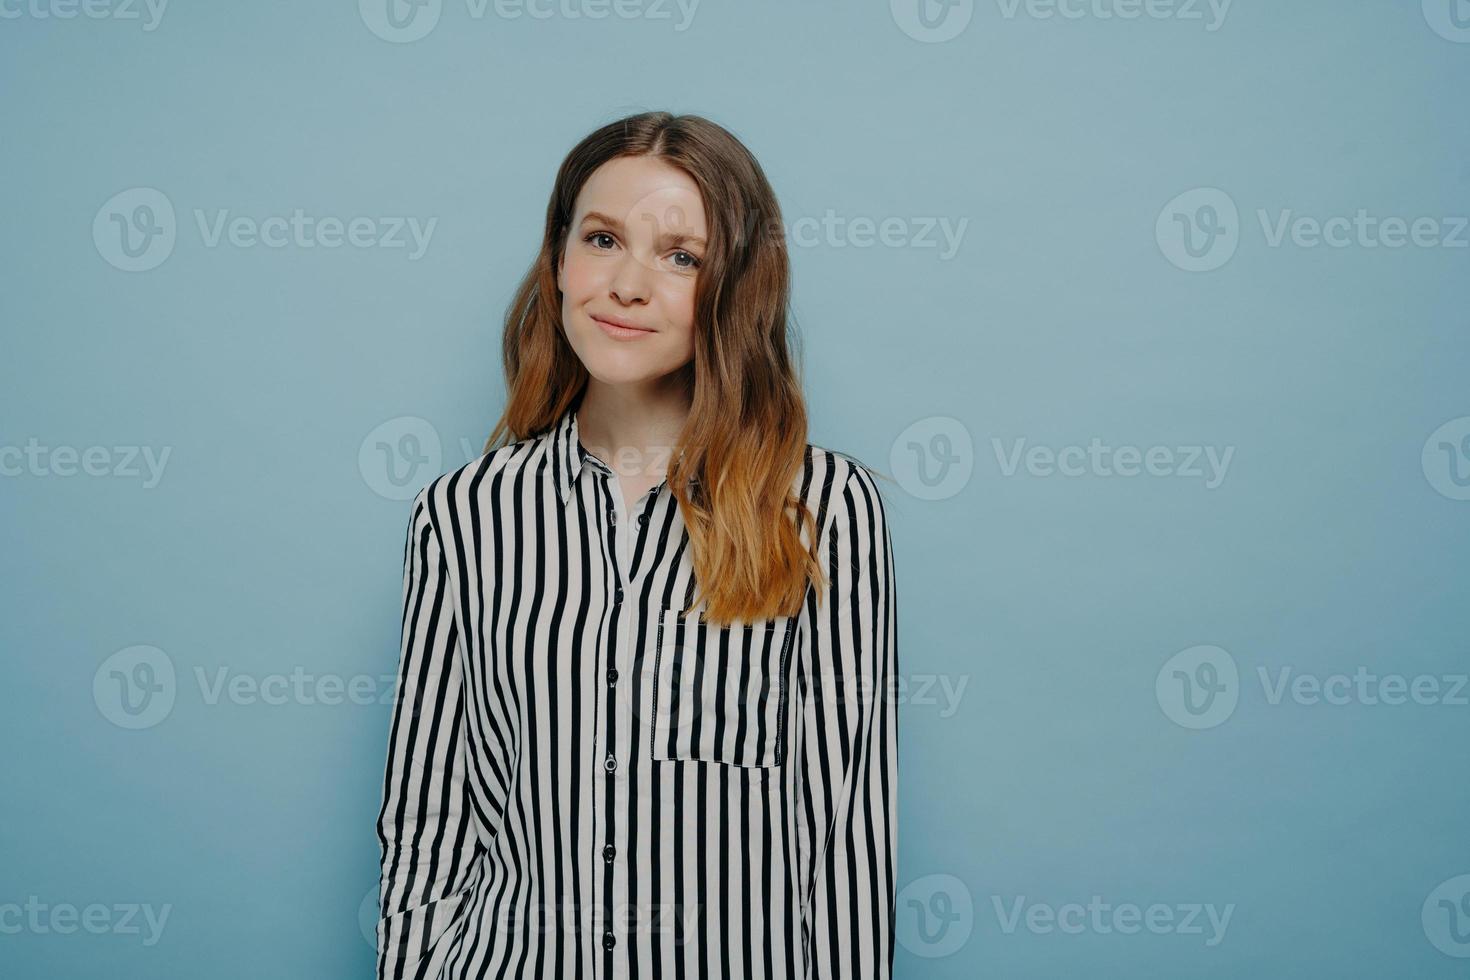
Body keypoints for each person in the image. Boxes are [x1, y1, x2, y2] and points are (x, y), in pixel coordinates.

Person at [374, 110, 898, 980]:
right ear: (557, 261)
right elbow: (428, 821)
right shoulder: (461, 515)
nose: (627, 285)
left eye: (680, 255)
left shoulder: (824, 510)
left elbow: (845, 831)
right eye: (604, 238)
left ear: (734, 287)